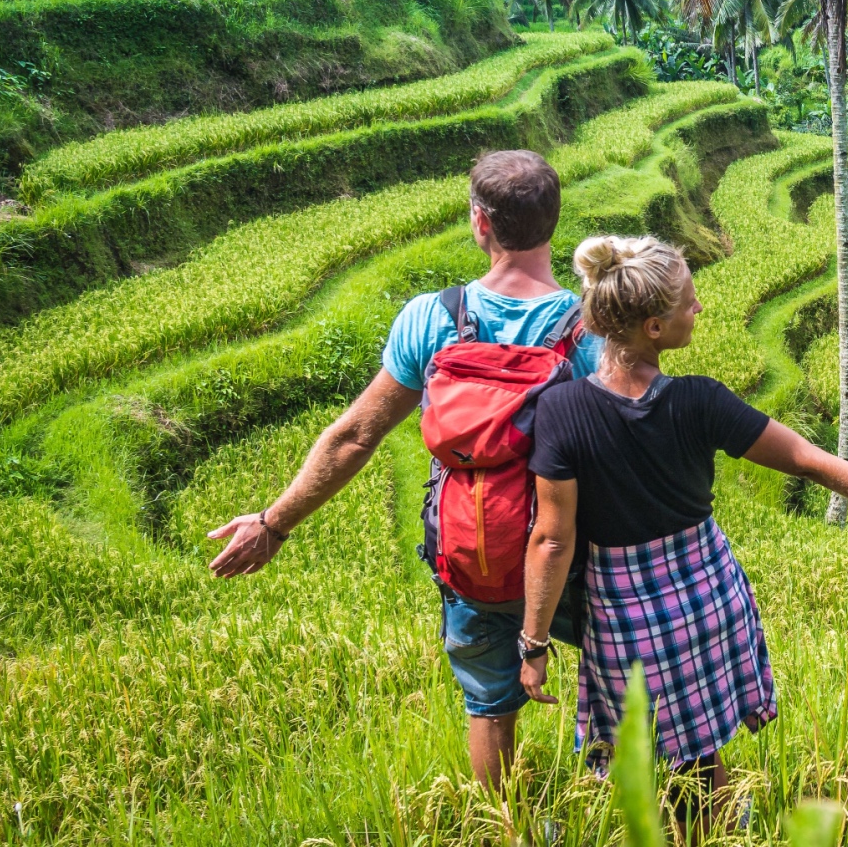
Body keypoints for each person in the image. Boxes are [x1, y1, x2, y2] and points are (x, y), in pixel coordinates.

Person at [517, 234, 848, 829]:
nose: (699, 309)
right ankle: (711, 831)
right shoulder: (698, 401)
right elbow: (808, 459)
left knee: (640, 754)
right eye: (689, 302)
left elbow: (552, 540)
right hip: (708, 595)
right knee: (702, 748)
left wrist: (533, 646)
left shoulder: (562, 411)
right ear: (654, 328)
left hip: (625, 612)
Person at [205, 149, 604, 790]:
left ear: (481, 223)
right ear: (555, 223)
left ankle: (510, 831)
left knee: (490, 707)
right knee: (630, 678)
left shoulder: (433, 318)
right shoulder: (589, 328)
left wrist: (273, 524)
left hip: (472, 548)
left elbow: (355, 437)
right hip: (571, 553)